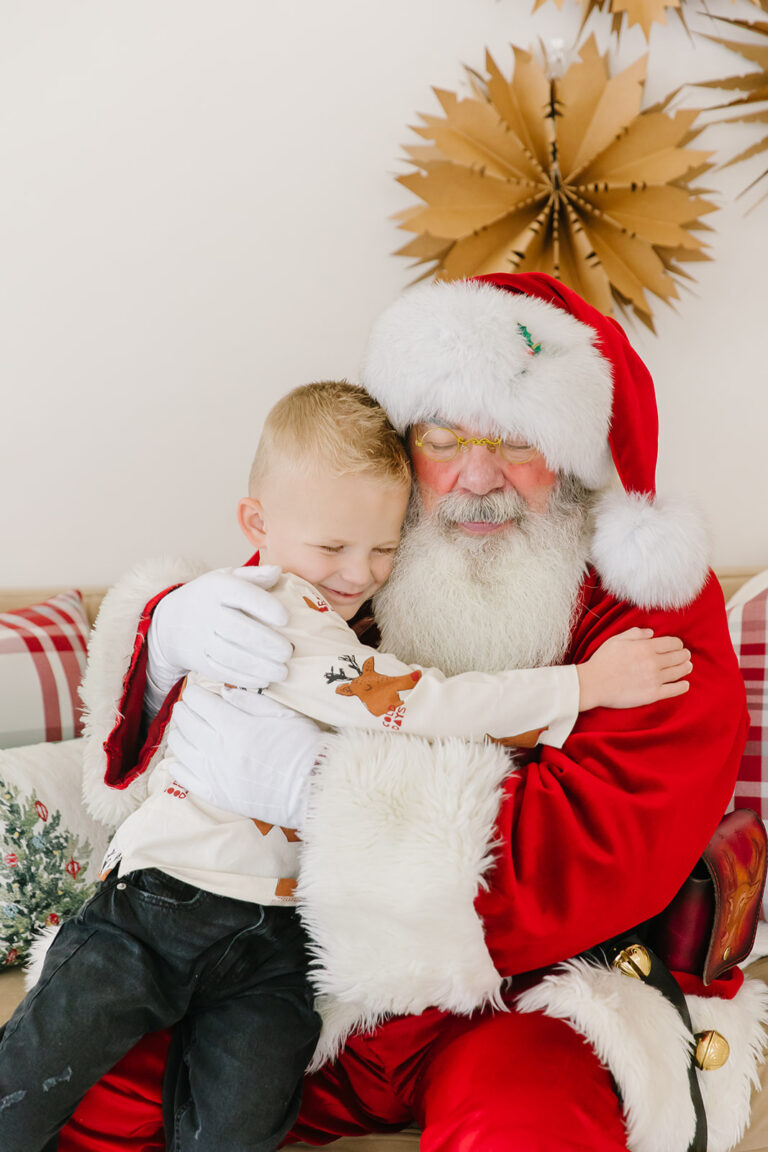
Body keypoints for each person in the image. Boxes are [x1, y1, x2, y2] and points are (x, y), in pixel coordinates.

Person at [57, 274, 760, 1152]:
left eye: (516, 441)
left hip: (526, 996)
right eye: (444, 436)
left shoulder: (648, 596)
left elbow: (596, 851)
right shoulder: (365, 550)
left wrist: (316, 793)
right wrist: (166, 636)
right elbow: (215, 704)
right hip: (296, 979)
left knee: (526, 1128)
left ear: (577, 460)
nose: (474, 477)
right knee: (82, 1084)